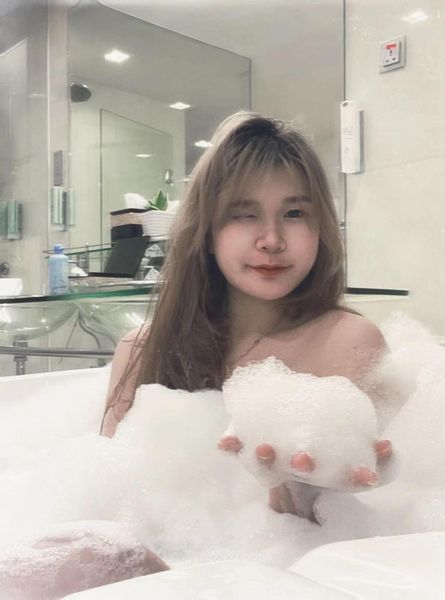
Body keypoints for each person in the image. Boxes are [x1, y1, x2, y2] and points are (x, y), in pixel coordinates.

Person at [101, 111, 392, 524]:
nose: (271, 240)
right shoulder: (141, 349)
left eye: (295, 213)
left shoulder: (349, 343)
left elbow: (373, 512)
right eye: (243, 214)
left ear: (321, 228)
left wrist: (310, 503)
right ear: (207, 232)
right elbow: (107, 500)